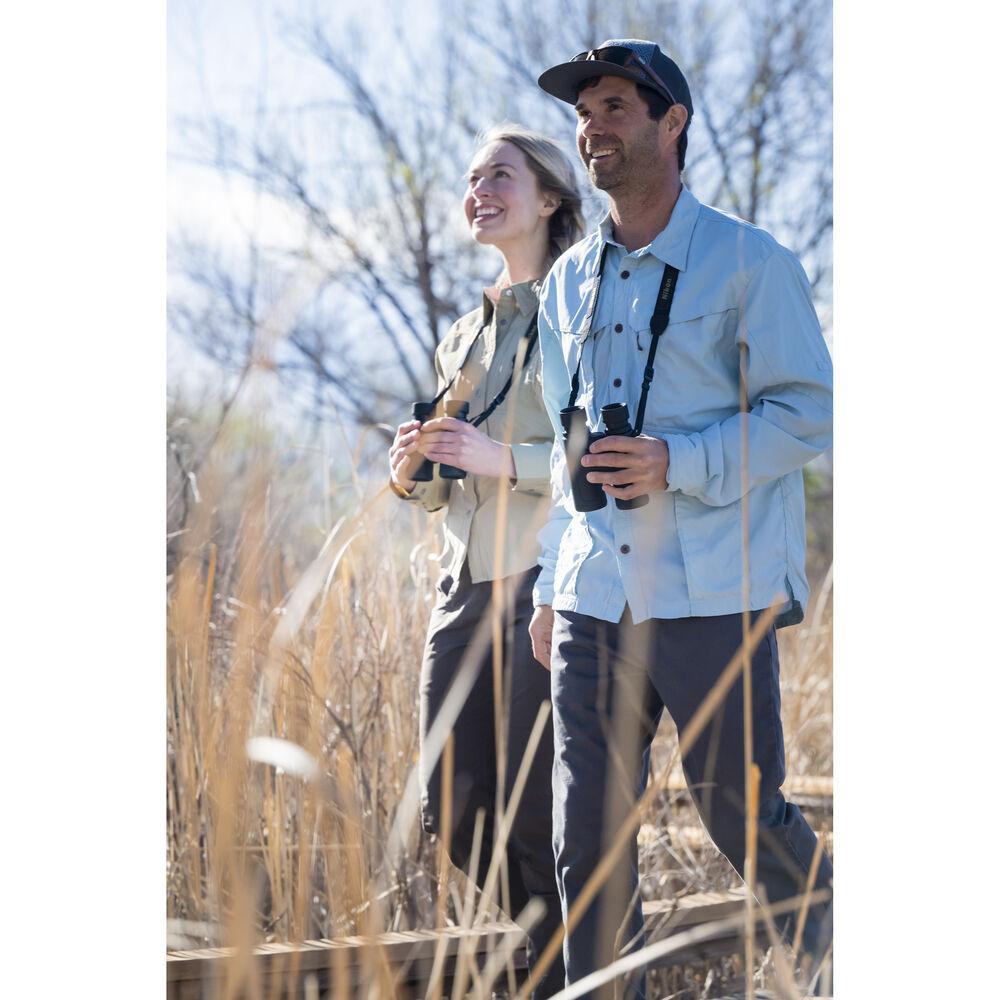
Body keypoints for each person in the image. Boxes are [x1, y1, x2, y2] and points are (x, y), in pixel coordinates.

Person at [527, 40, 835, 998]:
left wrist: (680, 461)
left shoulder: (752, 261)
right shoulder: (565, 282)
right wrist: (549, 585)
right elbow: (563, 446)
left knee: (740, 810)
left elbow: (810, 412)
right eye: (585, 112)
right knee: (586, 834)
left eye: (615, 107)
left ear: (673, 124)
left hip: (715, 585)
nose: (593, 127)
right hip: (593, 590)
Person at [388, 123, 584, 997]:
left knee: (539, 810)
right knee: (456, 809)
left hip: (547, 580)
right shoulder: (463, 333)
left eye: (500, 175)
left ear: (550, 198)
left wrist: (502, 457)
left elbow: (600, 450)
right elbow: (445, 484)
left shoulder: (583, 308)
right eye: (472, 178)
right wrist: (412, 469)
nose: (480, 191)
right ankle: (576, 956)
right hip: (461, 588)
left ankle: (571, 974)